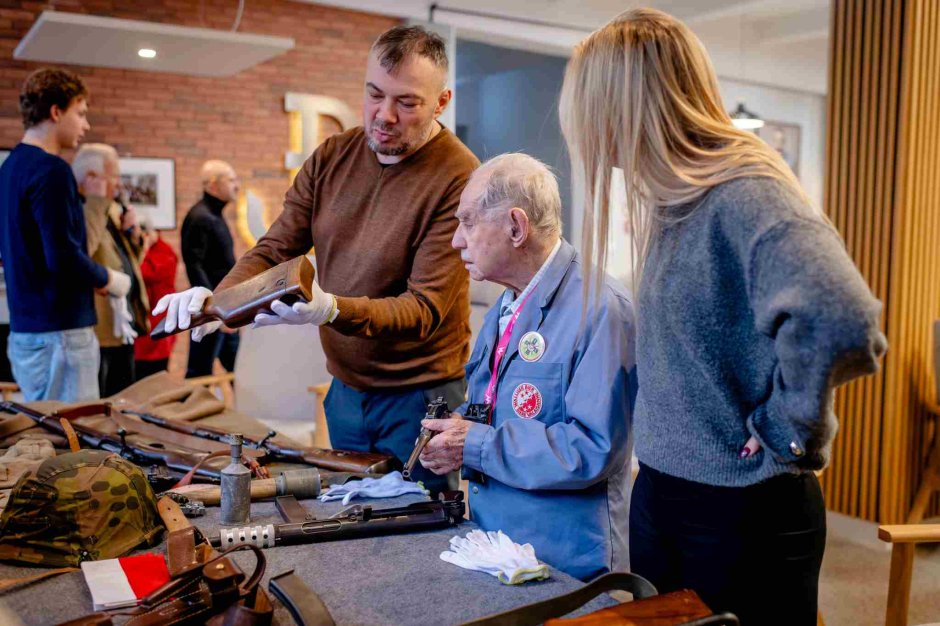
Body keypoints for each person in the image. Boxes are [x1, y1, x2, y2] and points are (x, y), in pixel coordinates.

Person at [558, 9, 887, 624]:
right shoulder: (673, 196)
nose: (585, 127)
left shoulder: (744, 190)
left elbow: (842, 317)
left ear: (627, 104)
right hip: (666, 493)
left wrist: (789, 430)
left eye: (591, 107)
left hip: (741, 512)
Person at [155, 26, 479, 493]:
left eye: (407, 103)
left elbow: (423, 309)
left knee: (420, 525)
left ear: (441, 102)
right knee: (348, 517)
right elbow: (276, 247)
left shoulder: (459, 177)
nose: (384, 115)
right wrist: (219, 299)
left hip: (420, 396)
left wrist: (331, 310)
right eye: (374, 95)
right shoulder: (333, 155)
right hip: (345, 390)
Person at [417, 153, 636, 580]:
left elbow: (592, 449)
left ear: (516, 227)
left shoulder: (601, 309)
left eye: (468, 223)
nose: (456, 241)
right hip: (497, 545)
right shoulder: (507, 303)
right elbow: (497, 409)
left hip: (566, 563)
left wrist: (475, 444)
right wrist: (455, 433)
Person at [0, 68, 130, 401]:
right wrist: (110, 279)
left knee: (45, 428)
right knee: (74, 431)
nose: (85, 125)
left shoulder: (10, 168)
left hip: (27, 330)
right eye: (80, 113)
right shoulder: (52, 169)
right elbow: (62, 256)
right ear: (56, 112)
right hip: (61, 334)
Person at [74, 143, 150, 396]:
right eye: (113, 175)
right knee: (101, 399)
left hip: (123, 320)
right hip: (100, 326)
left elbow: (129, 262)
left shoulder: (111, 208)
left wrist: (133, 236)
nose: (118, 183)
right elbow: (81, 250)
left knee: (125, 397)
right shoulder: (81, 208)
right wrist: (96, 202)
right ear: (92, 177)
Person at [180, 159, 241, 378]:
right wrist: (214, 309)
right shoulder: (200, 217)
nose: (237, 185)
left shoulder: (214, 215)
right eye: (231, 180)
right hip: (211, 312)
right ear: (213, 185)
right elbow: (194, 265)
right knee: (199, 374)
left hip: (224, 308)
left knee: (239, 371)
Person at [134, 217, 179, 380]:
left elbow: (142, 273)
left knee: (155, 377)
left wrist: (143, 248)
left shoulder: (164, 253)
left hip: (157, 326)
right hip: (141, 327)